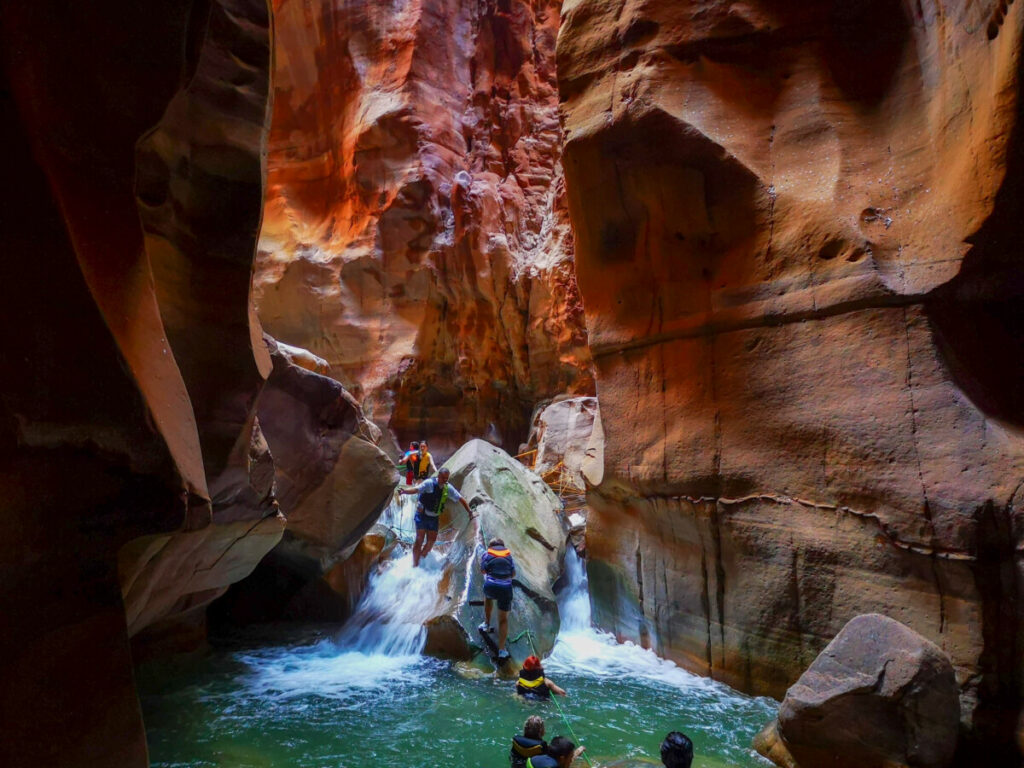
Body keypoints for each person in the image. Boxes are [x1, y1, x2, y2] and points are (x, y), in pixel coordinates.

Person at [398, 467, 472, 567]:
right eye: (443, 478)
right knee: (419, 539)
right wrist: (404, 492)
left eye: (447, 478)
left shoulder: (448, 488)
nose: (445, 480)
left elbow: (460, 498)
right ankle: (415, 565)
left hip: (434, 518)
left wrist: (470, 511)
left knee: (431, 542)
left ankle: (420, 560)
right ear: (438, 476)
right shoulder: (429, 483)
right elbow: (416, 489)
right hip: (422, 515)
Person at [479, 537, 516, 660]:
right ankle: (501, 650)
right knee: (503, 620)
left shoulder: (486, 554)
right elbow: (513, 574)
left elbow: (483, 570)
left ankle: (486, 624)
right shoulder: (508, 555)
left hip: (491, 586)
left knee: (488, 597)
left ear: (490, 546)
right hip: (505, 588)